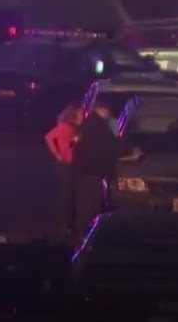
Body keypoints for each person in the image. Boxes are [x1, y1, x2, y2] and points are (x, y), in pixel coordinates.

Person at [72, 99, 140, 234]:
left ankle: (85, 235)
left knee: (89, 209)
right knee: (89, 210)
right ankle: (86, 237)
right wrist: (129, 150)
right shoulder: (97, 126)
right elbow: (109, 146)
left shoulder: (91, 125)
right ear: (103, 109)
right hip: (91, 175)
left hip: (88, 174)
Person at [45, 104, 84, 239]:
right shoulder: (64, 127)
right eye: (79, 114)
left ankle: (71, 223)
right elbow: (49, 137)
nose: (82, 116)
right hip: (66, 164)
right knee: (67, 194)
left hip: (73, 164)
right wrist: (57, 154)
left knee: (73, 193)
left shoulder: (75, 129)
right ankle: (67, 224)